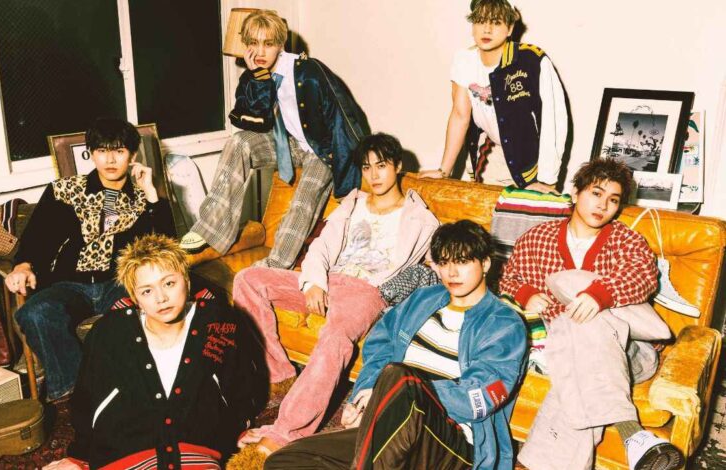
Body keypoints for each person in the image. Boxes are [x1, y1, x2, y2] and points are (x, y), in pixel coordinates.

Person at [227, 133, 439, 469]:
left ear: (399, 167)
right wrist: (314, 282)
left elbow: (436, 265)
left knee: (335, 338)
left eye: (382, 166)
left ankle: (284, 432)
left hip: (366, 291)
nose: (373, 175)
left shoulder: (421, 219)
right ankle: (281, 375)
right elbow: (322, 247)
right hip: (328, 278)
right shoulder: (352, 204)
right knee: (248, 279)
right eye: (366, 167)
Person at [265, 220, 528, 470]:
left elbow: (481, 397)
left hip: (452, 441)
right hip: (391, 423)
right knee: (285, 460)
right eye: (444, 262)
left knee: (401, 379)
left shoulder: (504, 323)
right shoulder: (422, 300)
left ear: (485, 263)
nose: (452, 272)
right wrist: (366, 394)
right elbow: (381, 346)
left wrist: (396, 396)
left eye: (462, 261)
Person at [500, 158, 683, 470]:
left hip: (630, 349)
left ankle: (628, 434)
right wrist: (525, 293)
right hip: (567, 347)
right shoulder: (536, 238)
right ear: (575, 193)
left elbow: (643, 277)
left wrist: (600, 296)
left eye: (613, 200)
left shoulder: (627, 241)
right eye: (596, 194)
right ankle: (636, 440)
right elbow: (509, 278)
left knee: (576, 306)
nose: (603, 205)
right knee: (574, 371)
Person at [44, 234, 265, 469]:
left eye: (169, 283)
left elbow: (239, 383)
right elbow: (87, 398)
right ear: (135, 297)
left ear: (186, 281)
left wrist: (240, 428)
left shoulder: (217, 322)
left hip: (195, 454)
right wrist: (79, 456)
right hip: (124, 455)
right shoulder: (109, 332)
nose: (161, 298)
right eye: (147, 291)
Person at [180, 9, 369, 270]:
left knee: (302, 201)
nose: (260, 51)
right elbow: (252, 121)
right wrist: (257, 77)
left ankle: (276, 265)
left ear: (280, 45)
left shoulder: (308, 71)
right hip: (289, 145)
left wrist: (351, 174)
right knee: (239, 142)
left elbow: (343, 117)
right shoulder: (254, 74)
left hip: (321, 150)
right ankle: (210, 227)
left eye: (268, 44)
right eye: (253, 43)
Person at [6, 117, 175, 402]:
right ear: (91, 154)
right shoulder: (65, 191)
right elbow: (37, 237)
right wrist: (23, 265)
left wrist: (150, 193)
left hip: (120, 283)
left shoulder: (142, 198)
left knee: (135, 315)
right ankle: (78, 393)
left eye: (119, 151)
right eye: (102, 151)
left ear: (132, 155)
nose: (110, 160)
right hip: (70, 284)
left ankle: (128, 390)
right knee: (35, 312)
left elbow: (166, 246)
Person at [420, 0, 567, 193]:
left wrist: (547, 180)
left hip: (530, 161)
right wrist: (444, 170)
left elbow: (553, 121)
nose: (487, 29)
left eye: (496, 22)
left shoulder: (531, 60)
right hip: (493, 156)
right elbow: (460, 115)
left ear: (510, 28)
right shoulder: (464, 61)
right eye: (481, 21)